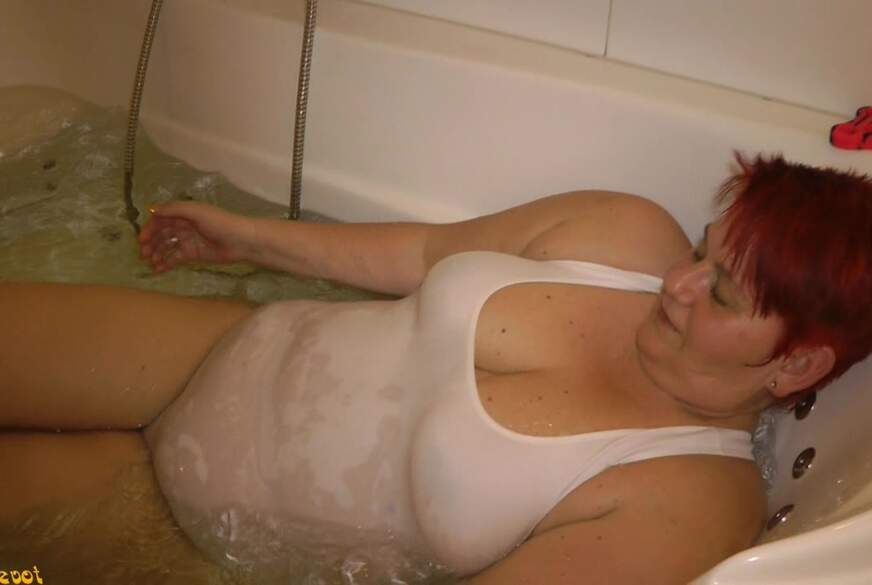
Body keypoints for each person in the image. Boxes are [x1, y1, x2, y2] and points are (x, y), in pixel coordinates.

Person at [1, 152, 870, 585]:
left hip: (180, 522)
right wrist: (247, 240)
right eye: (702, 250)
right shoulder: (627, 234)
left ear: (795, 362)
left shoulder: (692, 499)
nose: (678, 284)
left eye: (719, 290)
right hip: (215, 344)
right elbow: (425, 250)